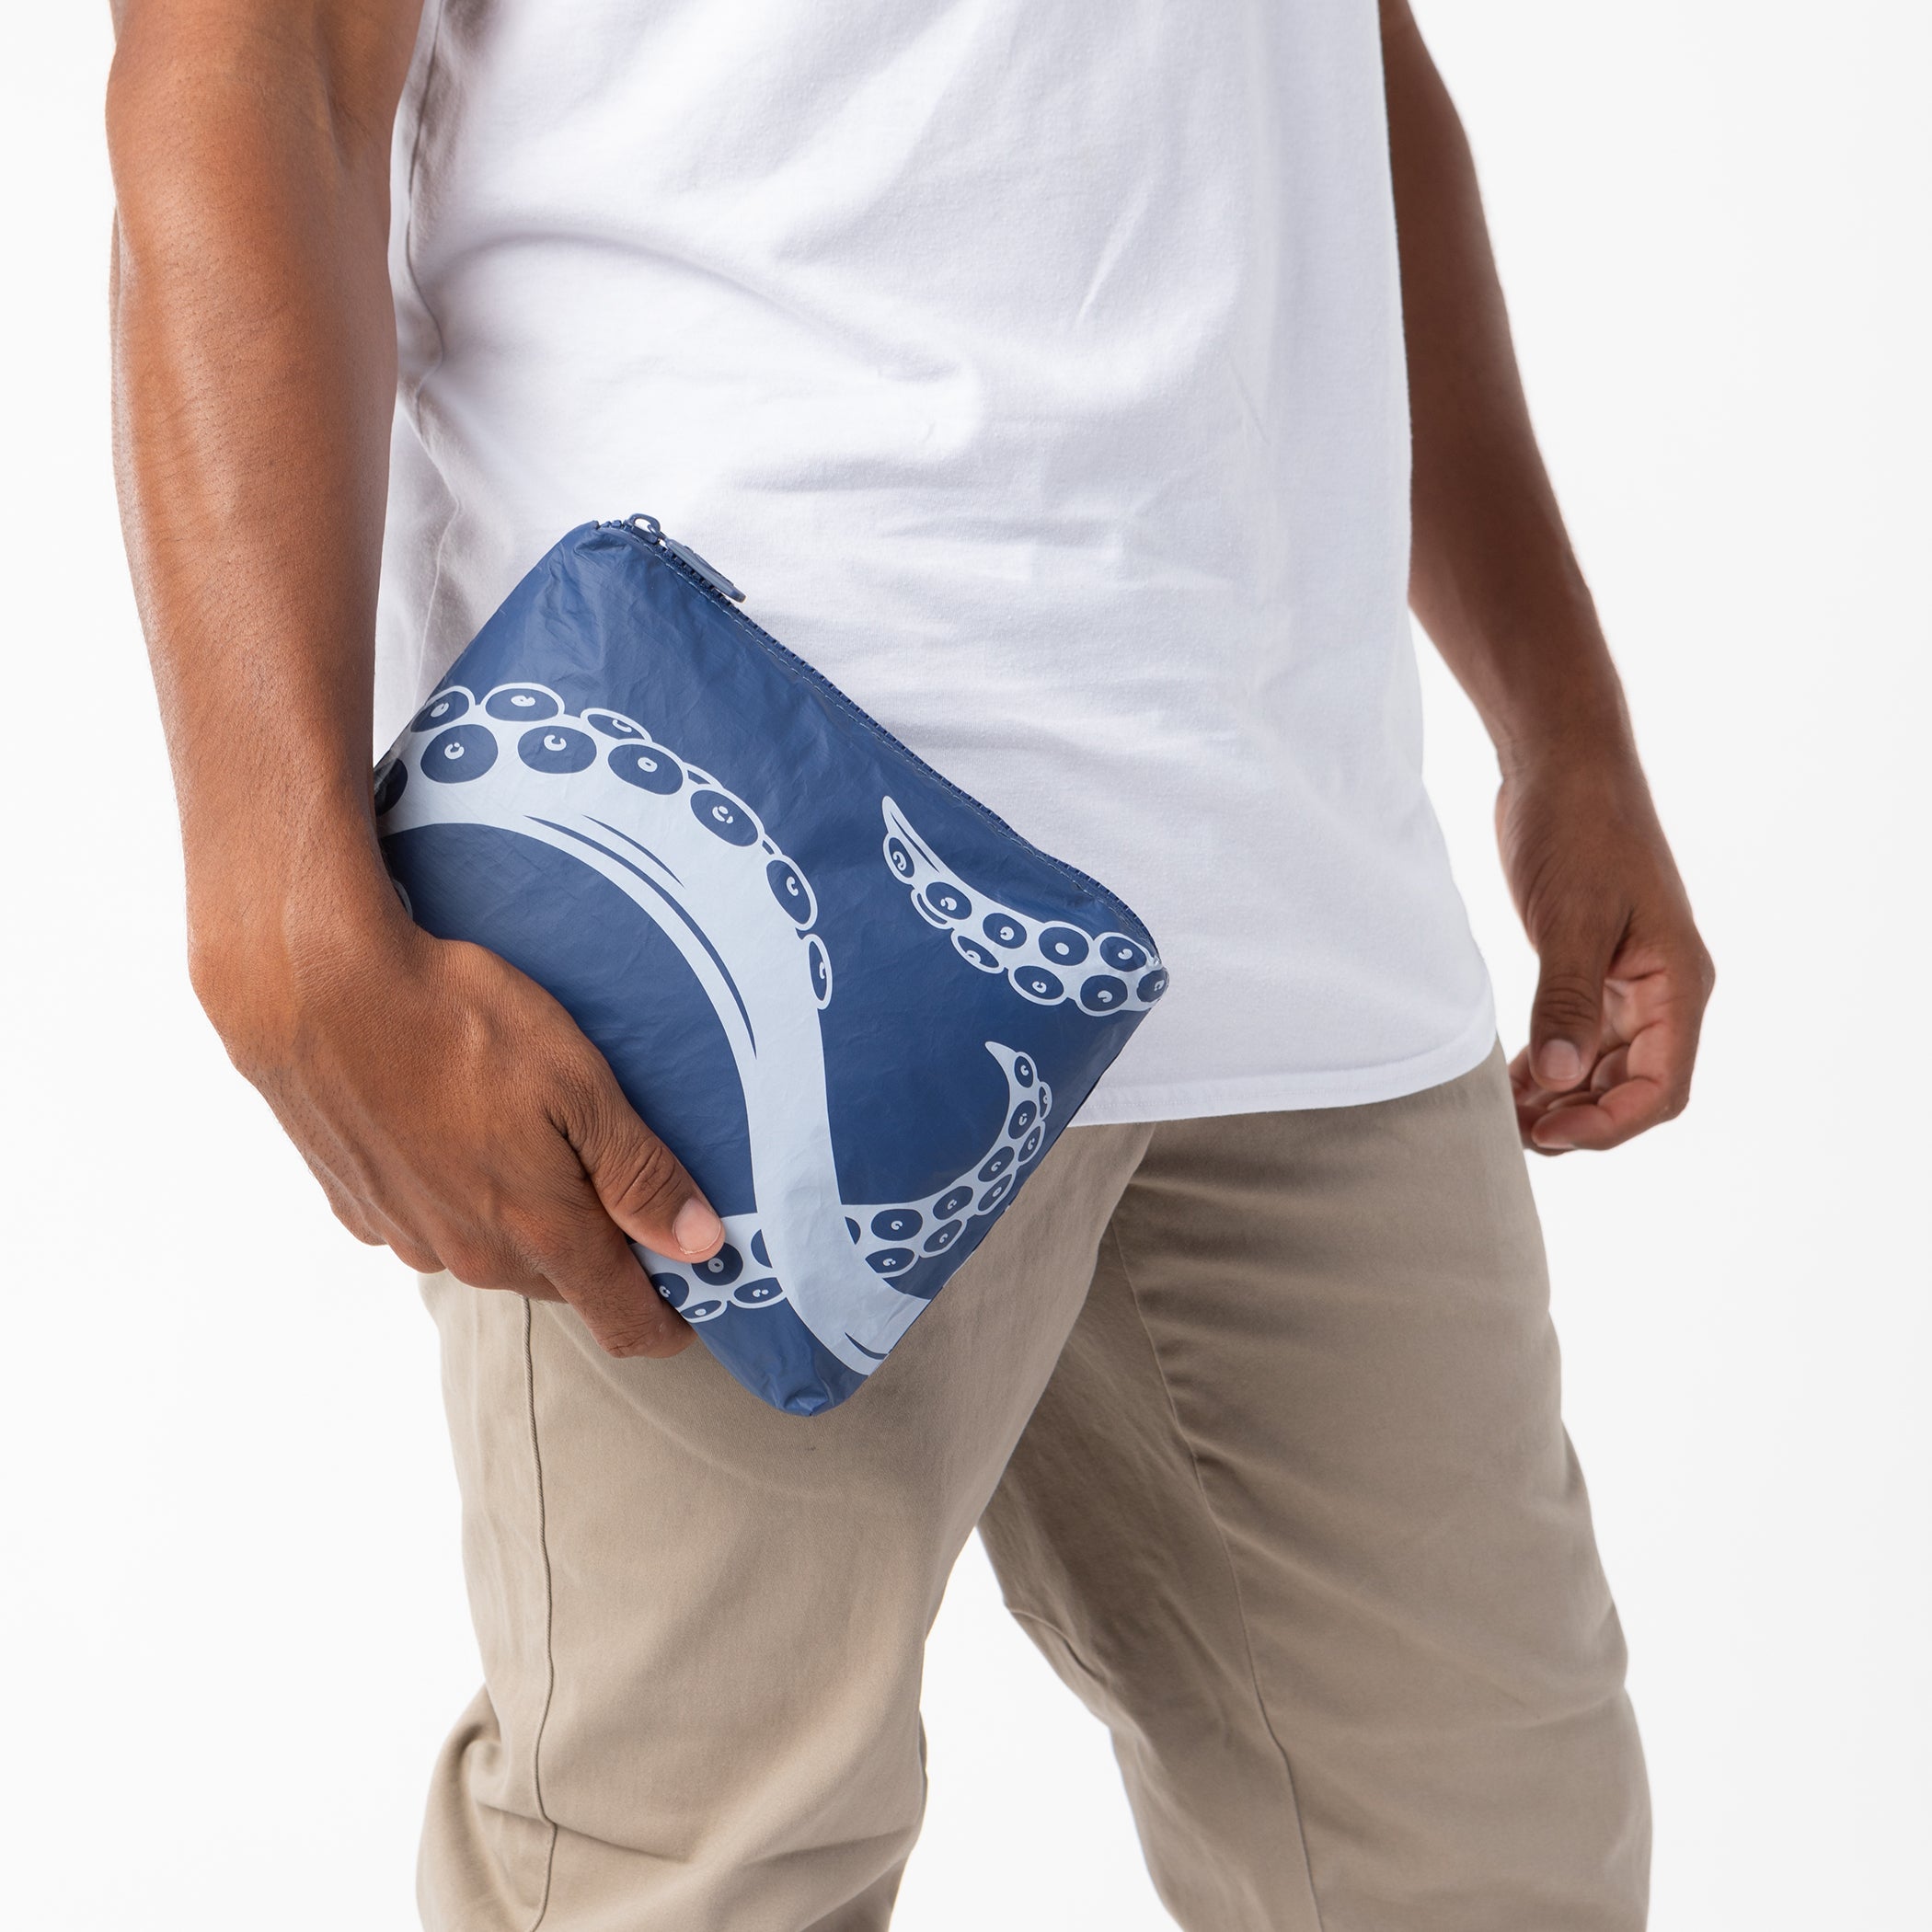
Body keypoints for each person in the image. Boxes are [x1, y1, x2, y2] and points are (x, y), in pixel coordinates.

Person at [106, 0, 1713, 1925]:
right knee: (688, 1871)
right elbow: (252, 58)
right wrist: (270, 892)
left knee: (1493, 1866)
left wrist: (1564, 726)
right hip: (726, 903)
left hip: (1297, 897)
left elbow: (1343, 78)